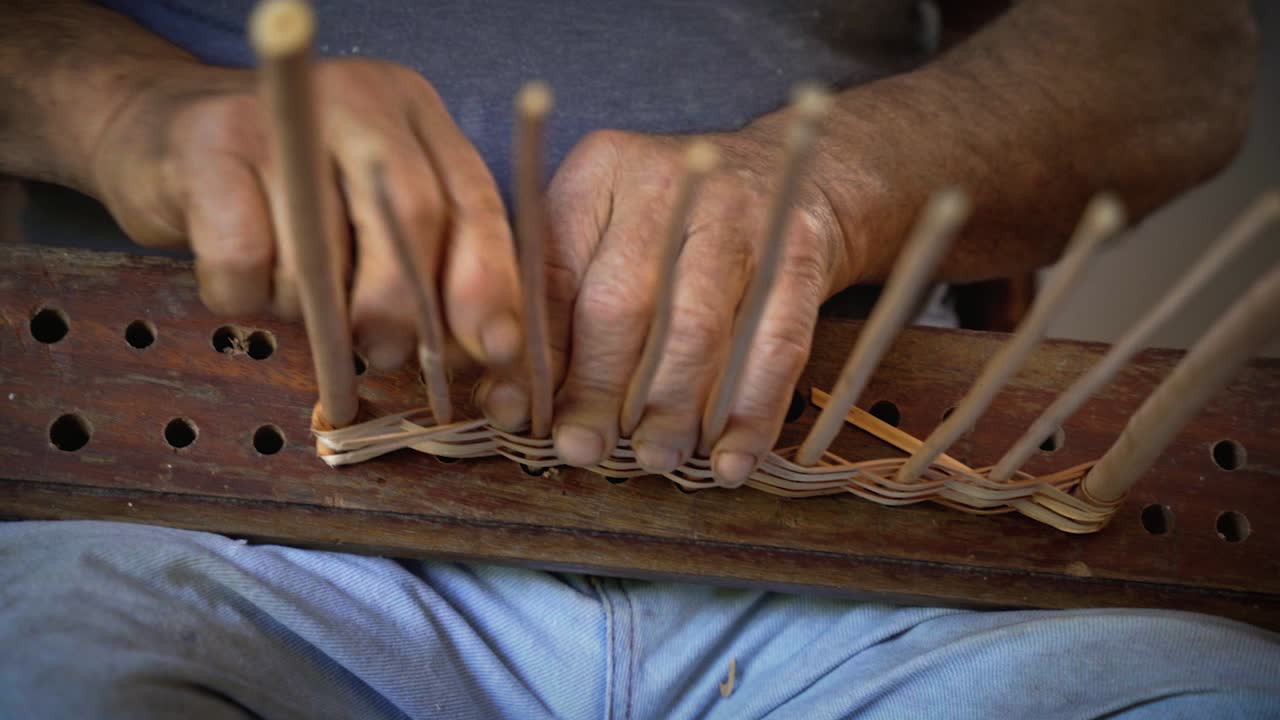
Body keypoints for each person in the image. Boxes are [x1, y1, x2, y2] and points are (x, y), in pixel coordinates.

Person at [2, 1, 1277, 717]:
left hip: (874, 572)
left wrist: (839, 176)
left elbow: (1174, 51)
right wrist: (116, 99)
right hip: (203, 514)